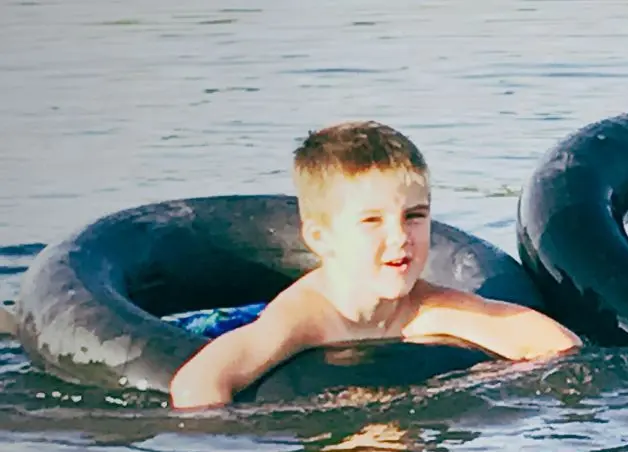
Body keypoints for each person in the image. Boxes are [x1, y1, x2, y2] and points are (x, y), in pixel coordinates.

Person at [169, 120, 581, 408]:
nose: (400, 236)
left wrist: (490, 380)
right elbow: (197, 384)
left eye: (414, 216)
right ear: (319, 237)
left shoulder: (426, 306)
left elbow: (555, 344)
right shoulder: (307, 317)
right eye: (371, 221)